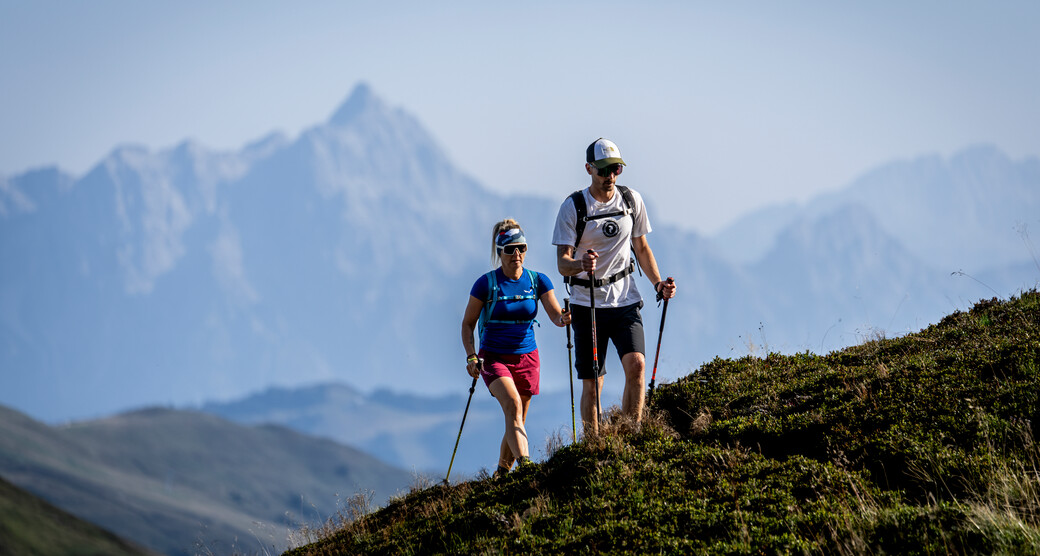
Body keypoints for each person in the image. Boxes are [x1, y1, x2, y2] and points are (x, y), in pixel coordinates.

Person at [552, 138, 677, 435]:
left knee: (637, 367)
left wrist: (658, 283)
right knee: (594, 384)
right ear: (589, 169)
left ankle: (630, 435)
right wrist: (581, 265)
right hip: (587, 303)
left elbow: (642, 248)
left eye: (616, 169)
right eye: (604, 170)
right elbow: (562, 263)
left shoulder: (631, 200)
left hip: (625, 300)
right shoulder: (574, 207)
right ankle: (594, 446)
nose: (610, 176)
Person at [461, 219, 571, 477]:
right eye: (509, 249)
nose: (516, 254)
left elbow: (556, 315)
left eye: (521, 248)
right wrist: (471, 356)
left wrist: (563, 318)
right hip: (493, 358)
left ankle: (501, 474)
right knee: (512, 405)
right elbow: (467, 324)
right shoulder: (486, 284)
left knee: (517, 418)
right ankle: (527, 469)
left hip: (528, 358)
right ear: (499, 252)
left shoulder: (538, 281)